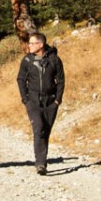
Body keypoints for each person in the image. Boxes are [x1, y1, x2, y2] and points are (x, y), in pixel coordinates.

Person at [16, 32, 64, 175]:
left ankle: (42, 160)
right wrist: (25, 99)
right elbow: (20, 79)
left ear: (40, 44)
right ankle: (40, 163)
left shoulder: (54, 60)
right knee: (39, 129)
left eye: (32, 43)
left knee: (46, 131)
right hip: (33, 101)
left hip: (51, 101)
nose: (29, 46)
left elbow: (61, 80)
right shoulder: (27, 61)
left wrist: (57, 100)